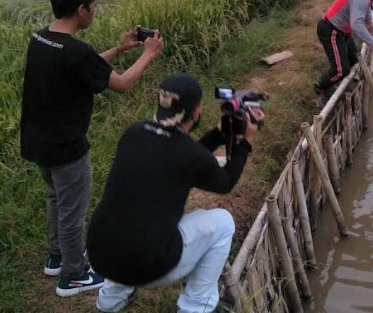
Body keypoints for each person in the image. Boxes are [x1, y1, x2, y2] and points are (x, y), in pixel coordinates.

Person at [20, 0, 164, 297]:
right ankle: (73, 276)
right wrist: (148, 53)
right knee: (73, 212)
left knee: (56, 199)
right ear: (81, 10)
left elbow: (84, 67)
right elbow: (123, 83)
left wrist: (120, 48)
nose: (95, 12)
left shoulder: (40, 39)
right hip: (67, 147)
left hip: (39, 141)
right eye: (94, 7)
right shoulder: (76, 51)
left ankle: (57, 257)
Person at [87, 73, 262, 313]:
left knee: (128, 222)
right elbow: (225, 183)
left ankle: (108, 303)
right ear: (196, 111)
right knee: (223, 223)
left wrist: (220, 134)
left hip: (101, 255)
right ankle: (195, 306)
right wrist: (245, 143)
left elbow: (180, 156)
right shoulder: (186, 154)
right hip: (148, 266)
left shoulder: (134, 134)